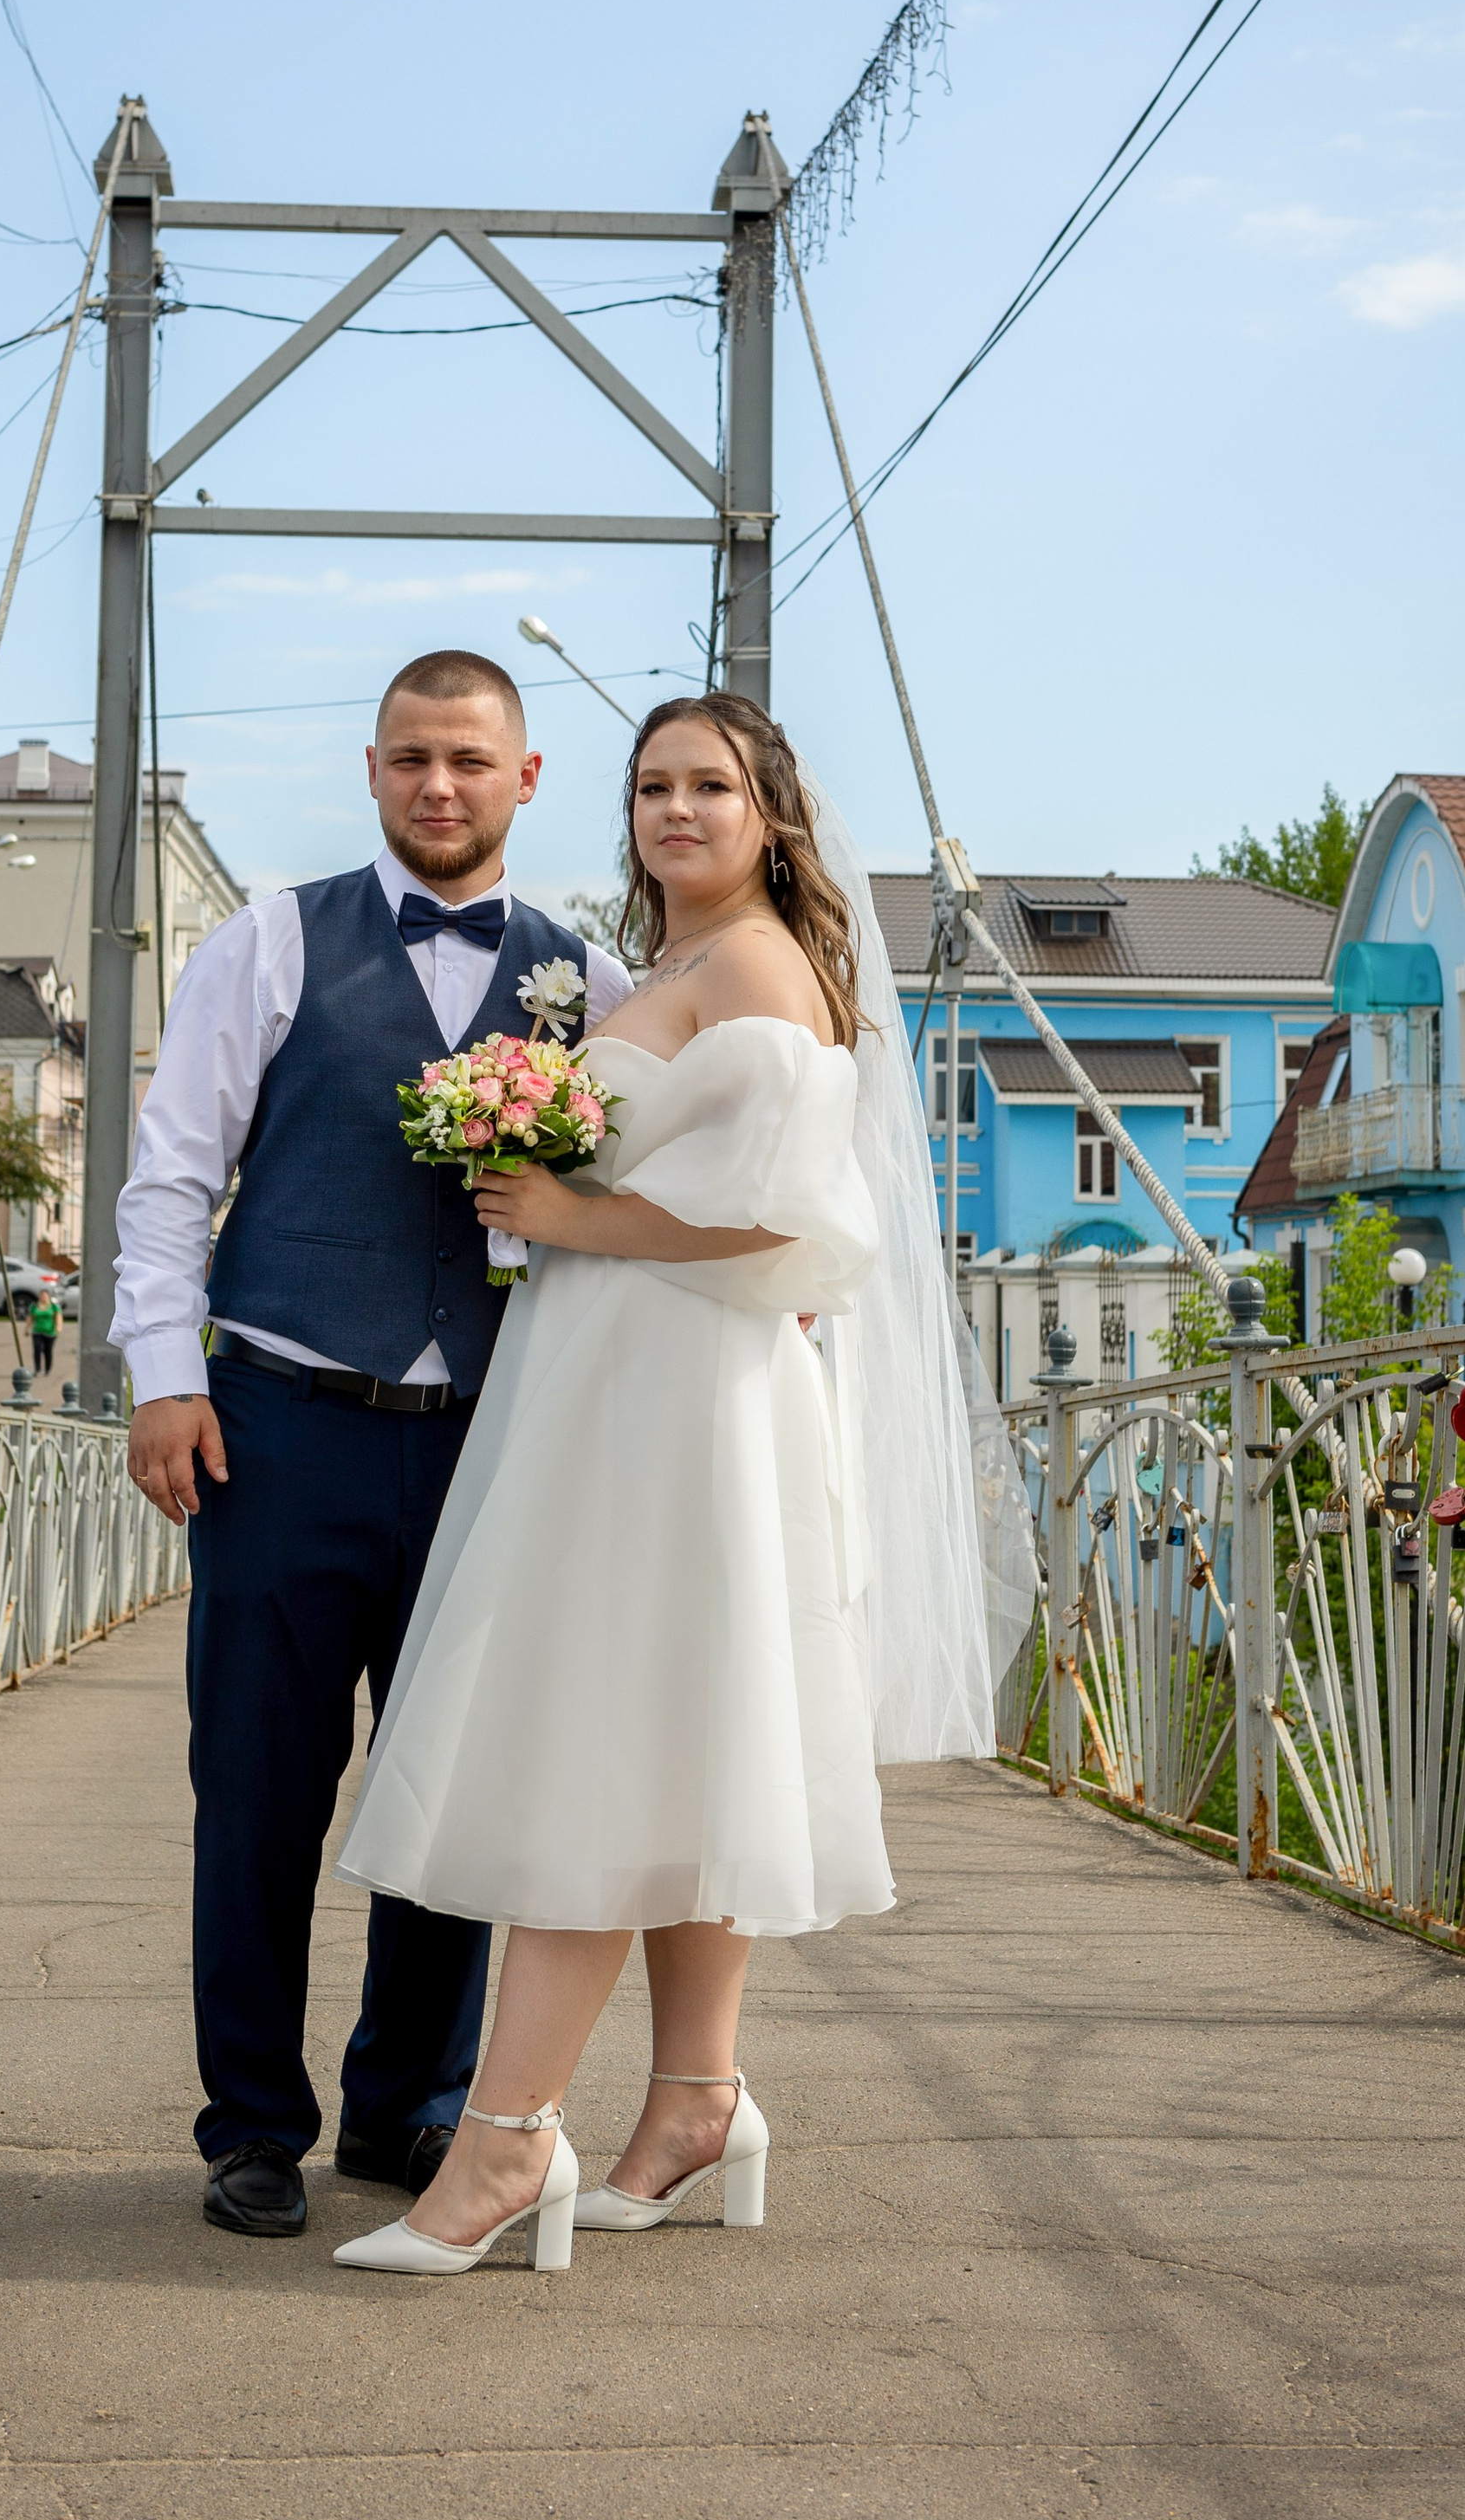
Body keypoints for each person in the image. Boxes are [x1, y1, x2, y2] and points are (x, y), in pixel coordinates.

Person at [329, 690, 1028, 2277]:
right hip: (631, 1389)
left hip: (678, 1402)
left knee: (596, 1746)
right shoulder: (679, 971)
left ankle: (506, 2141)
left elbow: (800, 1232)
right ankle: (697, 2101)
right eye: (653, 785)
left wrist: (574, 1222)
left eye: (711, 784)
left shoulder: (766, 971)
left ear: (772, 814)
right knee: (678, 1753)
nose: (677, 809)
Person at [113, 651, 630, 2239]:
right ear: (372, 768)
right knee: (260, 1783)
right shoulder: (268, 941)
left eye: (470, 760)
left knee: (458, 1792)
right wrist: (159, 1372)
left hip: (494, 1435)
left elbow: (626, 1212)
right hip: (280, 1421)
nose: (439, 785)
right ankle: (252, 2122)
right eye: (411, 757)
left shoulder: (589, 980)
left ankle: (410, 2107)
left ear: (524, 780)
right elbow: (171, 1175)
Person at [29, 1289, 60, 1384]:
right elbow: (31, 1317)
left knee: (48, 1350)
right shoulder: (35, 1306)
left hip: (50, 1332)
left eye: (45, 1296)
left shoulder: (54, 1306)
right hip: (37, 1331)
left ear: (48, 1296)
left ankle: (47, 1369)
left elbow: (58, 1317)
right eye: (42, 1296)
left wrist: (58, 1328)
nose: (43, 1297)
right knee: (37, 1349)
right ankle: (37, 1369)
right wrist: (26, 1328)